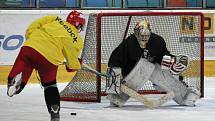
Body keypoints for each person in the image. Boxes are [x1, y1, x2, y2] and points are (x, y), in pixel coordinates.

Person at [7, 10, 85, 121]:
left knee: (23, 63)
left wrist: (33, 37)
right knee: (50, 85)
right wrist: (77, 64)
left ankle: (14, 85)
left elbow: (33, 27)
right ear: (79, 25)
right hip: (49, 60)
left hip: (31, 47)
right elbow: (72, 65)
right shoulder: (76, 39)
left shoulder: (54, 19)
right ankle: (54, 109)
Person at [107, 20, 201, 107]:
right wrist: (115, 82)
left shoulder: (157, 41)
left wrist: (174, 61)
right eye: (141, 35)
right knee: (145, 65)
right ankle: (117, 97)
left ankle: (184, 95)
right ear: (135, 33)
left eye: (146, 36)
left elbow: (163, 58)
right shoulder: (129, 43)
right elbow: (114, 60)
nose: (144, 38)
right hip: (131, 75)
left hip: (151, 71)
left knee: (150, 66)